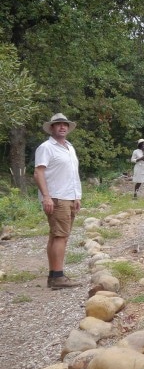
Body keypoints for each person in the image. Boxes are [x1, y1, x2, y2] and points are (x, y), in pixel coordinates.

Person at [34, 113, 82, 289]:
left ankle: (54, 274)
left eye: (65, 124)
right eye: (58, 124)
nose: (62, 127)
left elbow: (72, 174)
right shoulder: (46, 147)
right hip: (56, 197)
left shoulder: (69, 147)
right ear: (52, 128)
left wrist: (77, 196)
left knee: (58, 235)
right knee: (60, 236)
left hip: (68, 197)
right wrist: (46, 196)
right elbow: (38, 173)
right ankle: (57, 277)